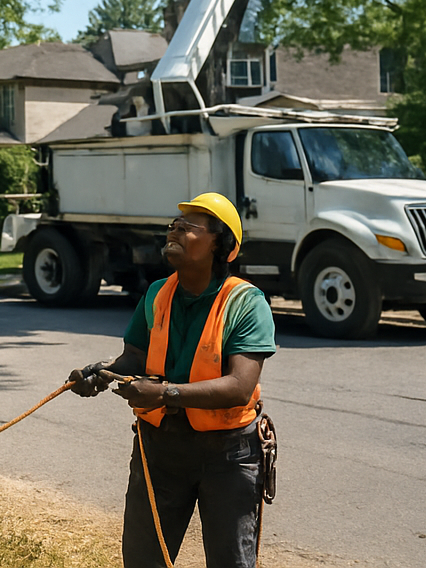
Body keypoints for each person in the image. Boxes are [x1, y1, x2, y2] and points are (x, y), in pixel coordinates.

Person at [68, 192, 276, 568]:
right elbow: (135, 357)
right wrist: (101, 371)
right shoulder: (156, 293)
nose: (175, 231)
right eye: (173, 226)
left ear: (222, 245)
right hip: (160, 450)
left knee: (230, 561)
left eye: (189, 228)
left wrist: (165, 394)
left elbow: (239, 387)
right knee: (143, 560)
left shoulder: (246, 303)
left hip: (228, 455)